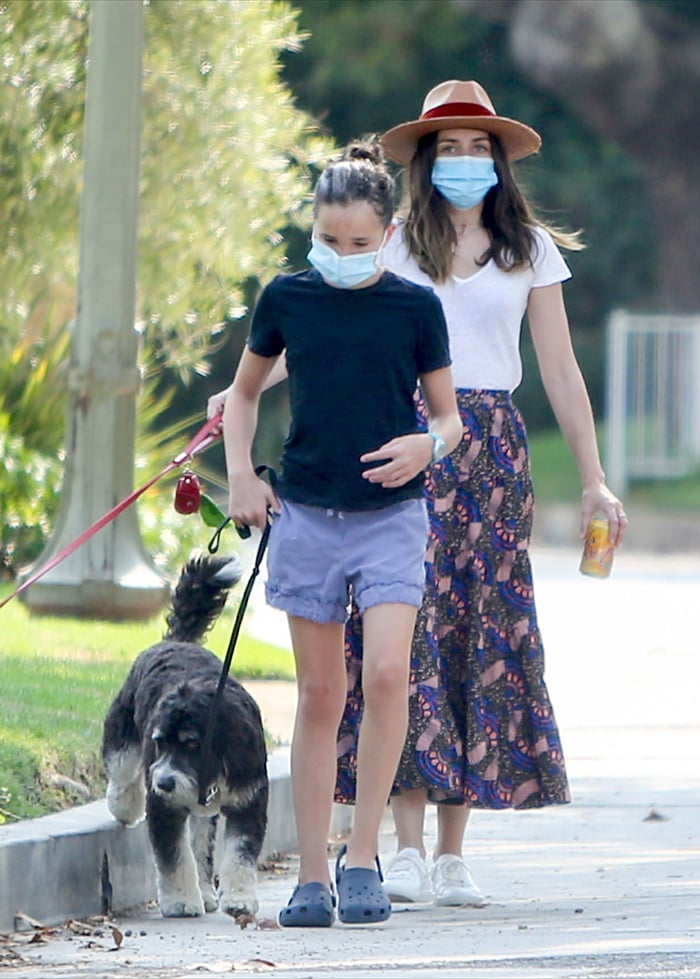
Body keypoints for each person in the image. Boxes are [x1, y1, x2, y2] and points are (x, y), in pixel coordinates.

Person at [334, 80, 629, 909]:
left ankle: (454, 852)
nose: (464, 160)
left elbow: (562, 371)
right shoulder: (389, 246)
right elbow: (329, 328)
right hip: (405, 444)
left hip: (494, 451)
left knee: (474, 634)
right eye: (449, 147)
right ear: (426, 160)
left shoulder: (528, 249)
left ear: (498, 158)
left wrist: (596, 477)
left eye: (478, 147)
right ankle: (402, 844)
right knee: (397, 637)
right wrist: (246, 386)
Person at [221, 138, 463, 927]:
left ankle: (365, 858)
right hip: (309, 516)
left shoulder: (416, 308)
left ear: (388, 235)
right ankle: (312, 875)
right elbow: (245, 392)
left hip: (393, 516)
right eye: (329, 240)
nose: (343, 255)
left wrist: (431, 443)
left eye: (359, 243)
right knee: (323, 693)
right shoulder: (288, 298)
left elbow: (451, 416)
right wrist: (242, 475)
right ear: (314, 229)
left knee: (388, 673)